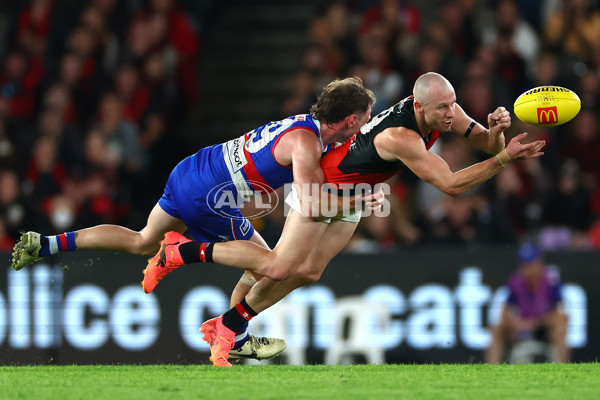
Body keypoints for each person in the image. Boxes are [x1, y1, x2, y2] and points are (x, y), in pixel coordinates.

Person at [143, 72, 546, 367]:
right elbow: (453, 185)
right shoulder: (400, 137)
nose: (450, 113)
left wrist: (495, 133)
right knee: (281, 265)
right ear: (418, 105)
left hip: (356, 194)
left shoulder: (444, 110)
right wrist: (505, 158)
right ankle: (184, 252)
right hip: (325, 189)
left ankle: (227, 324)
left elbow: (480, 141)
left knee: (309, 272)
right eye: (443, 107)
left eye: (452, 105)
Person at [10, 76, 376, 361]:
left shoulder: (303, 126)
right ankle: (213, 302)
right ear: (349, 119)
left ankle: (45, 243)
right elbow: (311, 201)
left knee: (141, 241)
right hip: (209, 196)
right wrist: (363, 197)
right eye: (363, 121)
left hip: (192, 169)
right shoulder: (308, 144)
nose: (363, 128)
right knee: (270, 266)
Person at [485, 242, 570, 363]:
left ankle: (563, 368)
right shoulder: (516, 282)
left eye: (530, 264)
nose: (527, 269)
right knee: (496, 328)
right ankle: (491, 370)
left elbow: (560, 313)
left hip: (543, 327)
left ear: (540, 264)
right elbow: (505, 311)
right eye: (524, 265)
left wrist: (536, 322)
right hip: (521, 327)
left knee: (560, 325)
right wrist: (516, 323)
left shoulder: (551, 281)